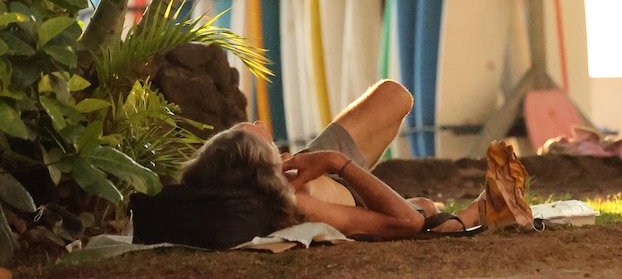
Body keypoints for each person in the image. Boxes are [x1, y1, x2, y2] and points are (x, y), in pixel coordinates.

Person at [178, 79, 533, 241]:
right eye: (262, 134)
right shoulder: (300, 204)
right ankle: (480, 211)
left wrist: (303, 161)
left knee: (394, 96)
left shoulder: (226, 175)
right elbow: (406, 223)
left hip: (308, 167)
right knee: (422, 209)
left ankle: (481, 210)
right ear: (266, 168)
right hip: (335, 180)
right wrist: (333, 162)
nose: (263, 123)